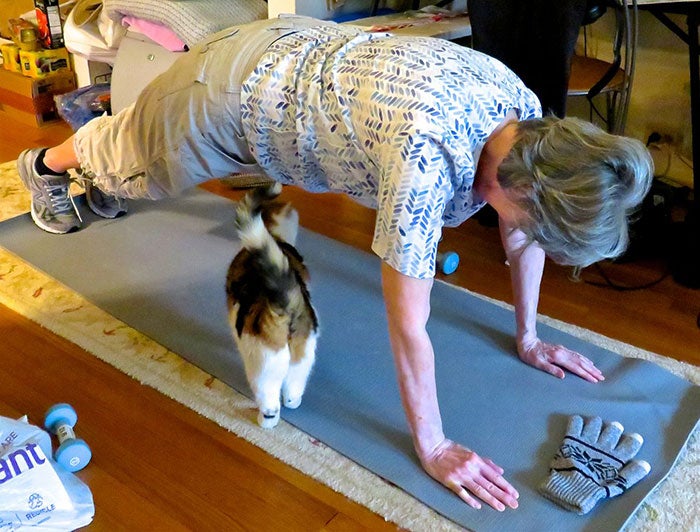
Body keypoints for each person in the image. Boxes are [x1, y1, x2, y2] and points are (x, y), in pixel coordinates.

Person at [16, 16, 653, 512]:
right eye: (529, 222)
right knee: (138, 165)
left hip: (297, 58)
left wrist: (530, 337)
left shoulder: (530, 126)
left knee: (135, 158)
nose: (521, 234)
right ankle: (43, 168)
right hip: (231, 91)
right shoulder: (423, 164)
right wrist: (432, 447)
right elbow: (409, 325)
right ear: (523, 190)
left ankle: (106, 175)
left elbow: (524, 237)